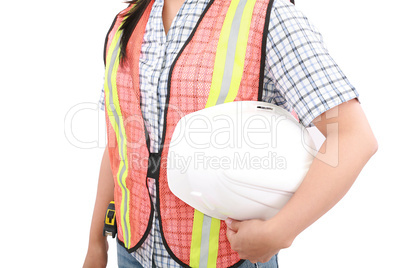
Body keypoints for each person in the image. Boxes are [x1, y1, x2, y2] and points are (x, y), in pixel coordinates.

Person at [83, 0, 378, 267]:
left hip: (228, 259)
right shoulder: (126, 24)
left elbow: (353, 137)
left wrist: (280, 232)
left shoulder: (267, 16)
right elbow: (121, 144)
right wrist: (96, 243)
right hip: (132, 251)